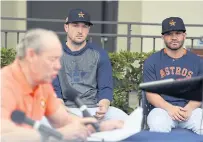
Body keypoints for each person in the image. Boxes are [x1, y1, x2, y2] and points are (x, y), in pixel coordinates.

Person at [1, 28, 124, 142]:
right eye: (52, 59)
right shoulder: (4, 83)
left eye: (58, 59)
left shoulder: (42, 84)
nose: (58, 66)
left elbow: (63, 120)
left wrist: (99, 127)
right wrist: (59, 134)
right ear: (32, 55)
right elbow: (4, 134)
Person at [52, 8, 128, 121]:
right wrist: (62, 110)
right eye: (75, 25)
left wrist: (104, 105)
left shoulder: (99, 54)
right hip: (66, 109)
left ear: (89, 29)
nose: (80, 31)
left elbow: (105, 87)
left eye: (84, 26)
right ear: (66, 27)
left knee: (126, 121)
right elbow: (54, 90)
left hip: (93, 108)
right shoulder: (54, 54)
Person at [143, 17, 203, 134]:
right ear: (163, 37)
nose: (174, 37)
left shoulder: (197, 62)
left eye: (178, 33)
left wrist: (188, 109)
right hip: (162, 110)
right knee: (158, 124)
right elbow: (150, 94)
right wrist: (169, 108)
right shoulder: (152, 61)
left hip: (190, 110)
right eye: (169, 34)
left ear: (184, 35)